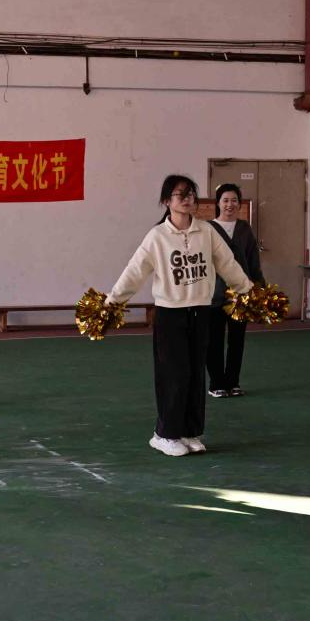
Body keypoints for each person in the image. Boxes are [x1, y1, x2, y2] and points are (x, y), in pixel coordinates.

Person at [107, 175, 255, 457]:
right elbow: (135, 271)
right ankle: (164, 434)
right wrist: (113, 301)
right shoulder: (157, 236)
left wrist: (248, 291)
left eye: (190, 194)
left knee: (196, 374)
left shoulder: (206, 231)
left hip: (201, 311)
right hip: (170, 314)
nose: (187, 199)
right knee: (173, 375)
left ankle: (189, 432)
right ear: (167, 201)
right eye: (180, 195)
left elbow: (228, 263)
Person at [206, 183, 264, 397]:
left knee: (237, 341)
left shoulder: (244, 229)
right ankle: (216, 384)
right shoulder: (208, 229)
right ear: (218, 203)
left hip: (241, 296)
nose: (229, 204)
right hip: (214, 295)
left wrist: (259, 288)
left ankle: (233, 382)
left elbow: (253, 261)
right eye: (225, 200)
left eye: (234, 200)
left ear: (239, 204)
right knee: (213, 341)